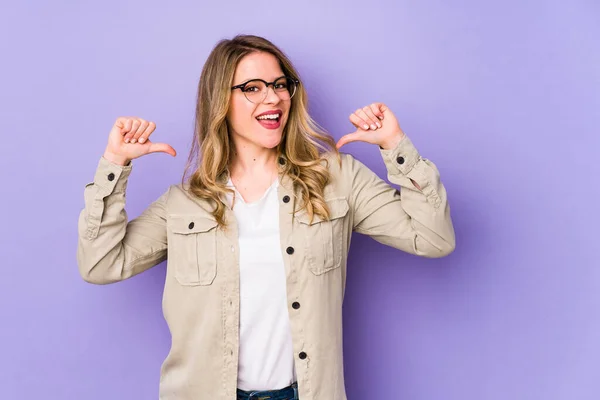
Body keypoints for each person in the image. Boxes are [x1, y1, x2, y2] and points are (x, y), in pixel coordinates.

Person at [77, 34, 455, 400]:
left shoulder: (337, 179)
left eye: (279, 84)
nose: (273, 97)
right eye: (253, 88)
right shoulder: (185, 203)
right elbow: (100, 264)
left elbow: (433, 238)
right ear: (219, 100)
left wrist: (395, 146)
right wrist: (115, 164)